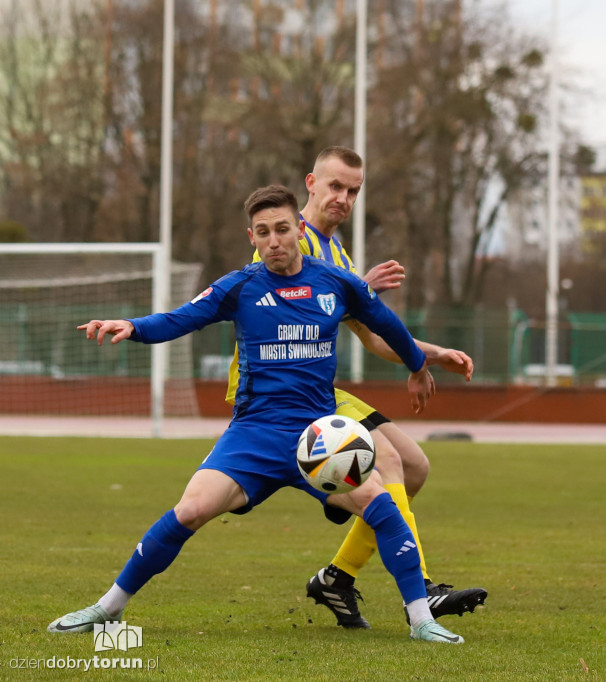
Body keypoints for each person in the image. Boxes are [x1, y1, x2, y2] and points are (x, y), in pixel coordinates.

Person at [48, 185, 464, 644]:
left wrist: (418, 365)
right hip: (253, 433)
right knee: (191, 509)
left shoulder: (338, 284)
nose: (274, 241)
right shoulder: (241, 286)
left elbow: (388, 325)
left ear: (299, 228)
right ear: (253, 235)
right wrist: (133, 327)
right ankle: (108, 607)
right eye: (263, 232)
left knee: (381, 504)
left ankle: (422, 619)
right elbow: (182, 318)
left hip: (317, 438)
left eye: (282, 229)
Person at [225, 146, 485, 629]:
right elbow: (284, 306)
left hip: (315, 385)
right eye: (335, 186)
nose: (343, 198)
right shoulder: (283, 236)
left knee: (413, 467)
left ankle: (336, 578)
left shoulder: (337, 254)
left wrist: (429, 354)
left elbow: (371, 335)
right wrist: (354, 289)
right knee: (384, 461)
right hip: (272, 389)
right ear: (312, 183)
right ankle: (422, 590)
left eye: (353, 191)